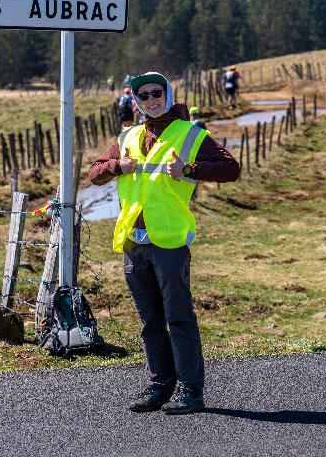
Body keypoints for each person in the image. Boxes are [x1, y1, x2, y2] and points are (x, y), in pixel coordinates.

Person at [89, 72, 240, 415]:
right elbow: (94, 174)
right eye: (144, 95)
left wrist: (188, 169)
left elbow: (230, 169)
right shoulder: (128, 136)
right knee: (149, 320)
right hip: (134, 242)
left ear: (168, 94)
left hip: (169, 241)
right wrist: (117, 165)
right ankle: (160, 386)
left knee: (178, 317)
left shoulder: (190, 134)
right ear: (136, 101)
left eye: (157, 92)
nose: (152, 98)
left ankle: (191, 391)